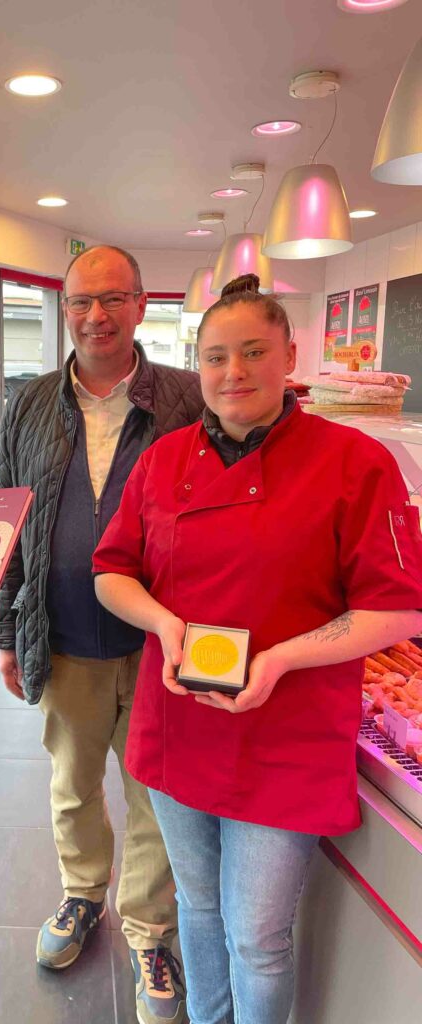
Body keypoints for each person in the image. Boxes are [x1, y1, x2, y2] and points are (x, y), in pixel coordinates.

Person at [92, 274, 422, 1024]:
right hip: (178, 726)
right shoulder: (164, 459)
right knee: (199, 913)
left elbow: (396, 609)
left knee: (260, 937)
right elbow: (113, 571)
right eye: (215, 357)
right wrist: (165, 625)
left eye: (252, 352)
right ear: (197, 364)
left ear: (289, 356)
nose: (232, 372)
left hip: (289, 734)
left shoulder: (353, 462)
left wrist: (280, 659)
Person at [0, 244, 204, 1024]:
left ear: (143, 305)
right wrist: (10, 632)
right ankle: (83, 896)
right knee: (73, 782)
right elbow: (8, 519)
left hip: (162, 645)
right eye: (81, 301)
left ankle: (150, 930)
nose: (95, 315)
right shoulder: (30, 403)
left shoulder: (185, 397)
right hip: (65, 635)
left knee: (155, 794)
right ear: (64, 310)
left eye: (113, 299)